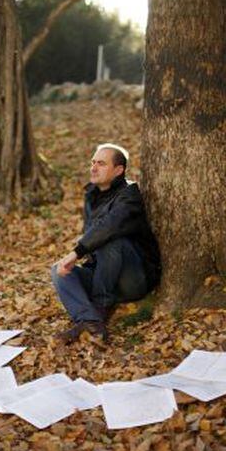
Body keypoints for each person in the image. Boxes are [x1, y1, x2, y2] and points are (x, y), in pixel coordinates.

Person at [51, 142, 160, 344]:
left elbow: (110, 226)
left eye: (101, 163)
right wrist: (76, 261)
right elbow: (91, 235)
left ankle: (99, 308)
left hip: (133, 278)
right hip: (104, 273)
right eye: (93, 162)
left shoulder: (130, 194)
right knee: (58, 271)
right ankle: (91, 321)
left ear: (118, 170)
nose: (93, 167)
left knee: (110, 241)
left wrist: (77, 252)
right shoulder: (91, 196)